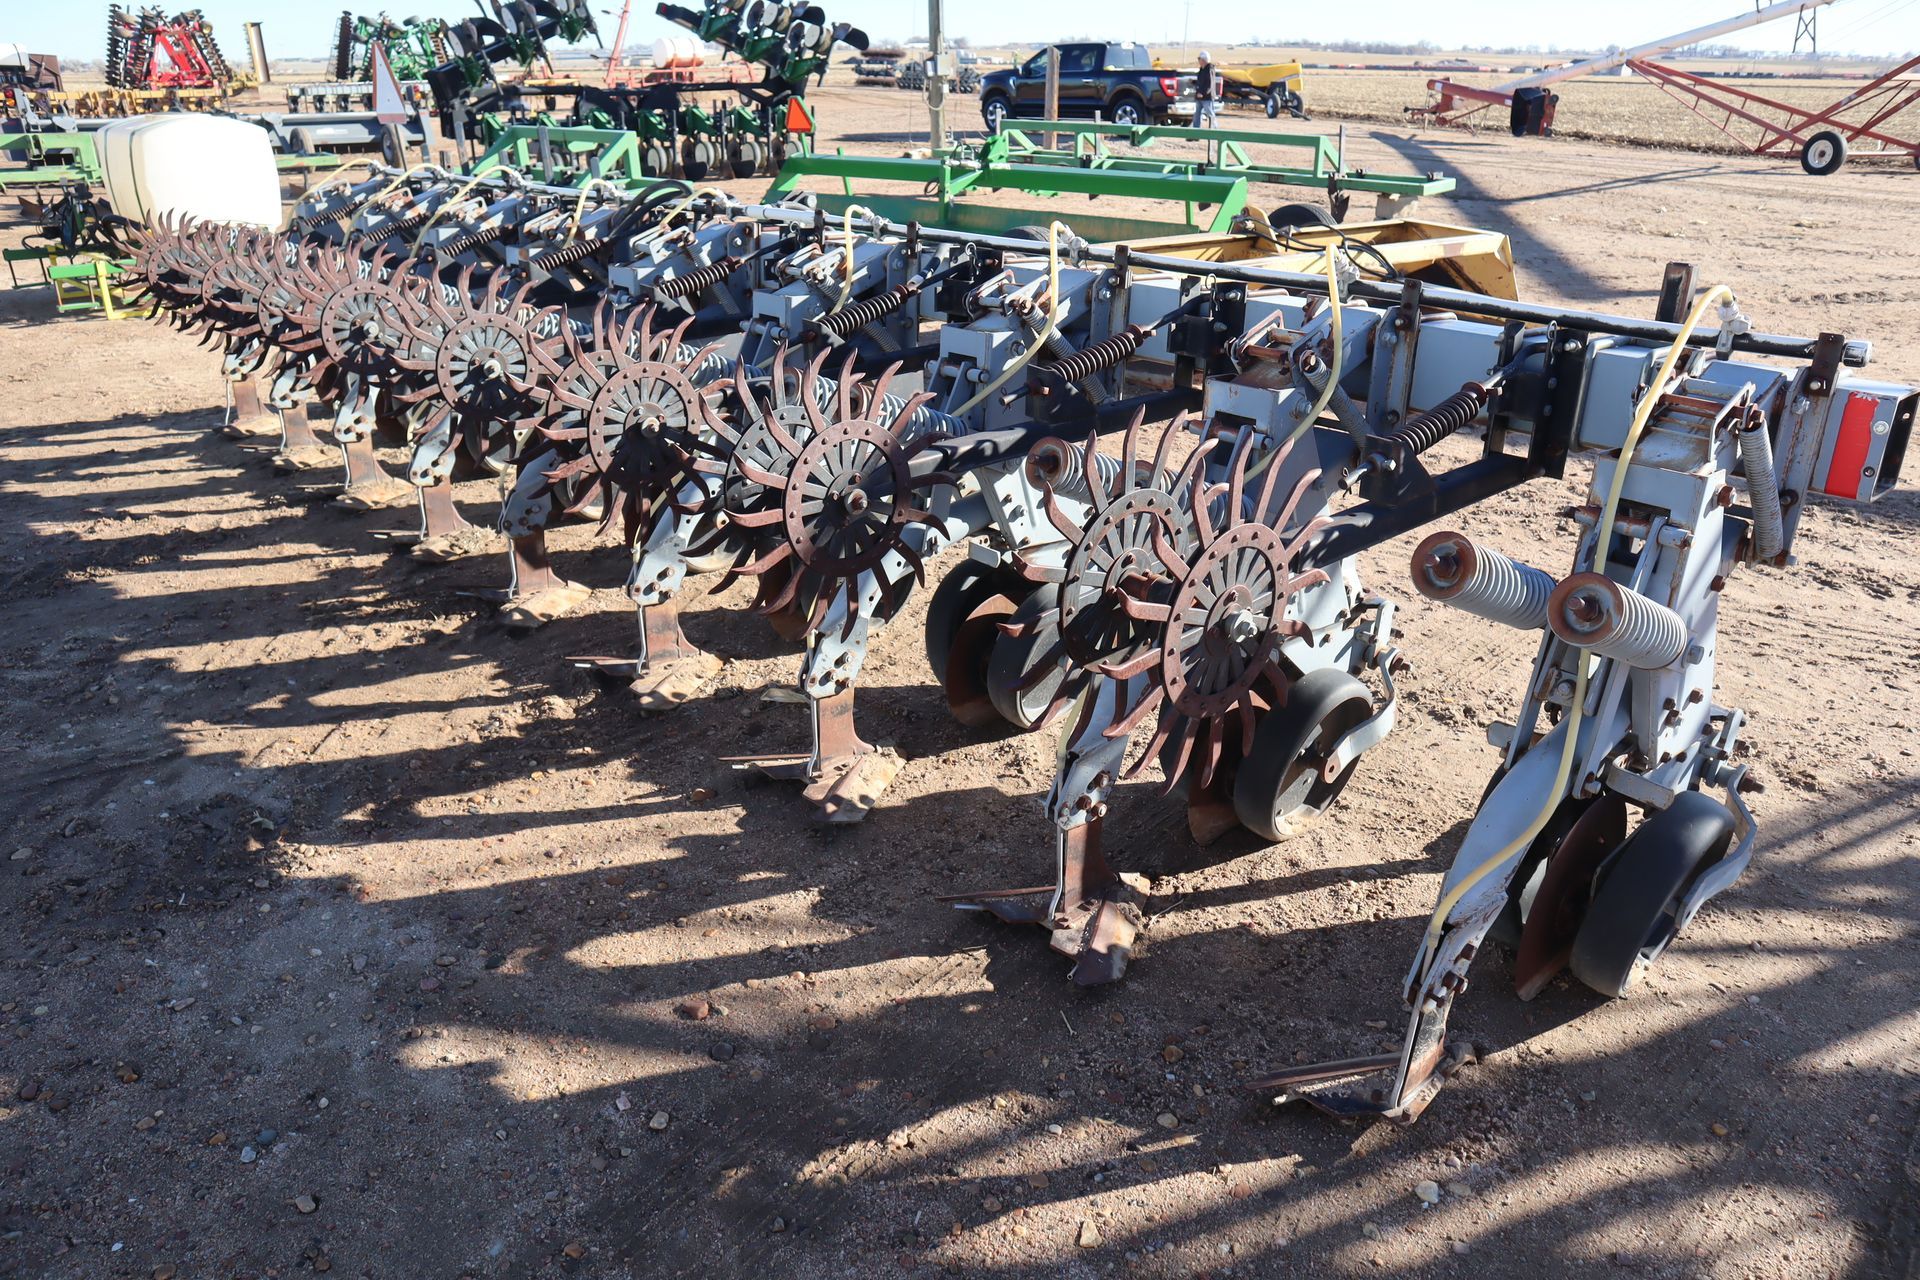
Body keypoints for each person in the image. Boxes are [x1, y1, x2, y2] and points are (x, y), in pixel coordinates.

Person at [1194, 50, 1220, 129]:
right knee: (1197, 115)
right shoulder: (1201, 70)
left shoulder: (1210, 70)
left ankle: (1215, 130)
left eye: (1199, 58)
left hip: (1207, 97)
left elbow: (1210, 84)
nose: (1198, 60)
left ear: (1204, 60)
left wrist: (1203, 93)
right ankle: (1195, 133)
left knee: (1210, 114)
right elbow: (1201, 82)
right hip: (1199, 96)